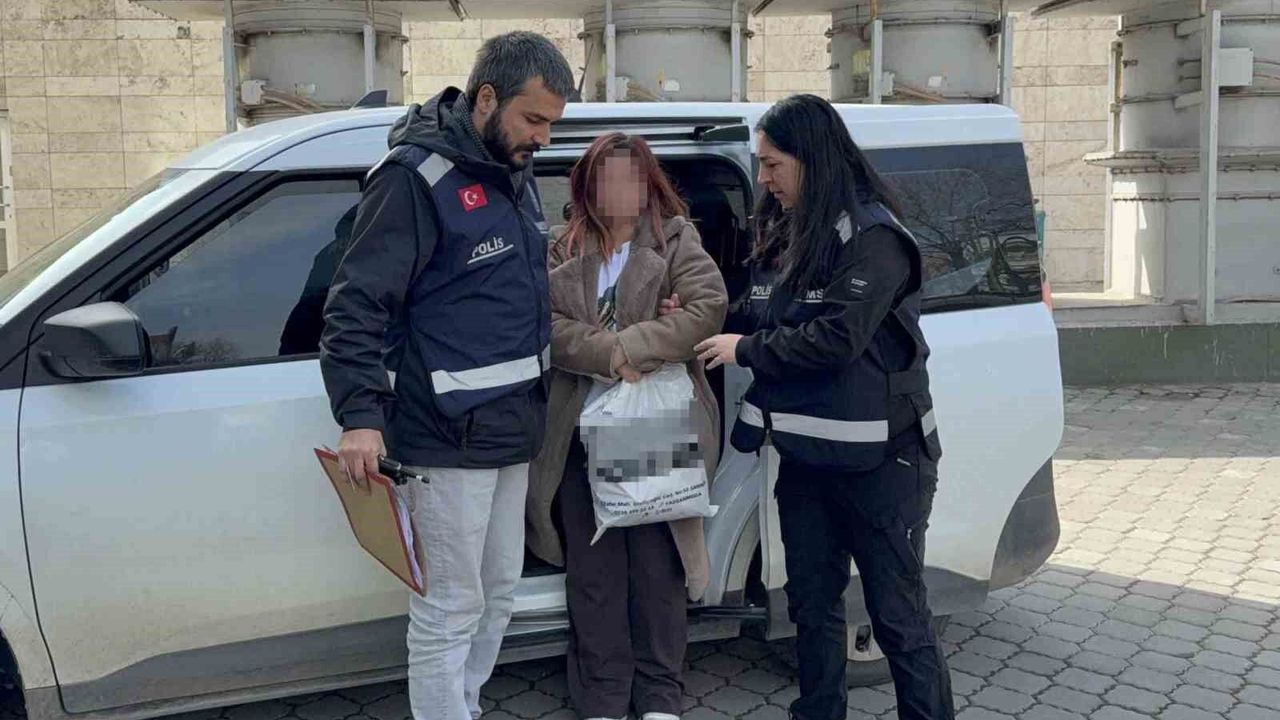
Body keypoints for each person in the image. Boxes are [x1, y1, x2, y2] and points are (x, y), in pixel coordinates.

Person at [319, 32, 575, 720]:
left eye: (552, 123)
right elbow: (355, 306)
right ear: (486, 98)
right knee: (449, 606)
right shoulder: (414, 178)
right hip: (445, 438)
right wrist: (360, 415)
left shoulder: (512, 171)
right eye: (534, 119)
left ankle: (463, 706)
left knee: (498, 596)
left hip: (512, 430)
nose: (544, 138)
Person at [695, 94, 953, 720]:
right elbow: (767, 311)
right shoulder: (793, 229)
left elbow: (838, 337)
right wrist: (710, 319)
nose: (764, 178)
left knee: (898, 618)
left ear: (813, 159)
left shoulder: (873, 236)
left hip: (884, 465)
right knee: (810, 607)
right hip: (809, 461)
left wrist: (745, 349)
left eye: (773, 164)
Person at [527, 132, 728, 720]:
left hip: (655, 429)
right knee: (594, 579)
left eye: (631, 176)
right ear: (587, 185)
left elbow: (707, 307)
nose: (620, 189)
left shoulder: (676, 238)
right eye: (607, 177)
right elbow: (543, 323)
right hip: (578, 432)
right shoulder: (561, 246)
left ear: (648, 183)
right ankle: (604, 697)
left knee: (657, 571)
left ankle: (660, 695)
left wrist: (633, 345)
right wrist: (610, 354)